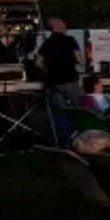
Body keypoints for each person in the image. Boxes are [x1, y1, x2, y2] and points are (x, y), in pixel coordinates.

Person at [36, 18, 83, 146]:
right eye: (63, 23)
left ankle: (64, 143)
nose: (65, 24)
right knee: (79, 109)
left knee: (59, 113)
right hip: (69, 79)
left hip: (53, 82)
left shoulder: (47, 43)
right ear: (57, 26)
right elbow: (79, 58)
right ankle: (83, 137)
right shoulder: (70, 40)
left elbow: (38, 63)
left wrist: (48, 70)